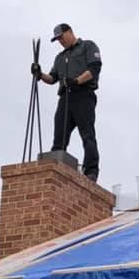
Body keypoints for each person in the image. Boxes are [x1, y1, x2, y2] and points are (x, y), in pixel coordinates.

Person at [31, 23, 102, 182]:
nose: (60, 41)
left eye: (61, 37)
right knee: (59, 137)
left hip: (83, 95)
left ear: (70, 32)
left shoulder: (87, 46)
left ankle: (91, 171)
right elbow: (52, 78)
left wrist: (76, 81)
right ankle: (54, 170)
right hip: (65, 99)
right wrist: (39, 74)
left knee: (87, 134)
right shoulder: (60, 58)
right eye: (58, 40)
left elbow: (94, 69)